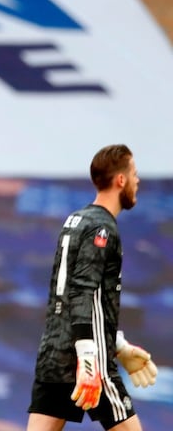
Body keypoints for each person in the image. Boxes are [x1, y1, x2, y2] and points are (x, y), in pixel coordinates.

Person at [26, 144, 158, 431]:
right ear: (120, 180)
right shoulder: (102, 228)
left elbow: (67, 295)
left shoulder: (75, 220)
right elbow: (82, 291)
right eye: (134, 174)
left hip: (54, 355)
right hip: (88, 362)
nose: (137, 181)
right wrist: (89, 356)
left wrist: (118, 345)